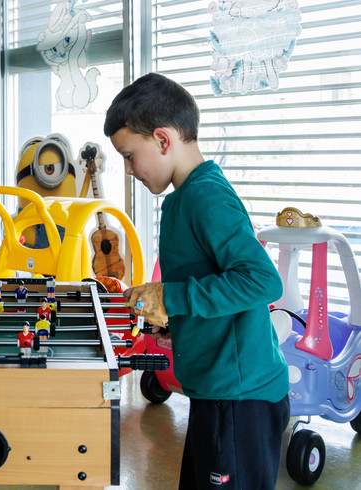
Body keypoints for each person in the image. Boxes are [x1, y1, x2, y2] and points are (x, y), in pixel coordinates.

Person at [103, 72, 289, 489]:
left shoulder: (206, 196)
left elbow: (263, 282)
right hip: (213, 390)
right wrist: (158, 307)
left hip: (240, 398)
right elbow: (202, 285)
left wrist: (172, 297)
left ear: (163, 140)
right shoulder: (183, 198)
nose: (129, 169)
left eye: (130, 155)